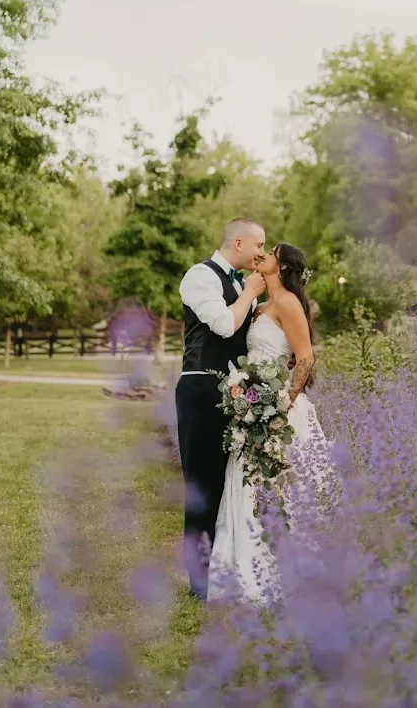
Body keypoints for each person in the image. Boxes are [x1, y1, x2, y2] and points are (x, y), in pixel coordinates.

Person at [208, 242, 332, 603]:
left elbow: (306, 358)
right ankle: (244, 566)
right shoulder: (261, 307)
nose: (263, 255)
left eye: (271, 251)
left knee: (291, 489)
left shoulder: (290, 304)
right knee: (248, 485)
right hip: (254, 407)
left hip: (280, 411)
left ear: (283, 267)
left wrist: (280, 406)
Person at [176, 218, 267, 599]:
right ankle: (198, 580)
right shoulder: (201, 276)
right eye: (259, 245)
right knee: (201, 485)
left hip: (234, 394)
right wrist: (248, 295)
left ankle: (221, 566)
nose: (263, 252)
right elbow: (223, 326)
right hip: (201, 390)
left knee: (225, 484)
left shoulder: (239, 284)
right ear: (240, 242)